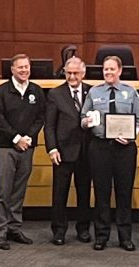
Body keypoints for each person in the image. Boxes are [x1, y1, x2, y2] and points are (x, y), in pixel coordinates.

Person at [81, 54, 139, 252]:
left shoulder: (130, 91)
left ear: (119, 71)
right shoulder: (94, 92)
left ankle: (125, 237)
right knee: (101, 193)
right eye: (105, 69)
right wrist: (88, 121)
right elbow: (83, 119)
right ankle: (101, 236)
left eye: (112, 69)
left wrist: (131, 135)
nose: (108, 72)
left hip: (124, 149)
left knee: (124, 193)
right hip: (100, 148)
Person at [0, 53, 46, 250]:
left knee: (19, 190)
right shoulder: (1, 92)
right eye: (20, 67)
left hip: (27, 147)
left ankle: (14, 228)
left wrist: (28, 138)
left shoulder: (36, 91)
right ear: (12, 69)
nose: (24, 70)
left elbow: (40, 117)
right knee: (4, 190)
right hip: (5, 147)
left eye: (26, 67)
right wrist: (16, 139)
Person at [44, 55, 93, 245]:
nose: (72, 77)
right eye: (69, 73)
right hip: (62, 152)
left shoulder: (92, 91)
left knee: (84, 192)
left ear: (83, 73)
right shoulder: (55, 94)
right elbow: (49, 125)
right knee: (60, 193)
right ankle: (59, 230)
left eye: (76, 73)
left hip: (86, 152)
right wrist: (52, 148)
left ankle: (83, 229)